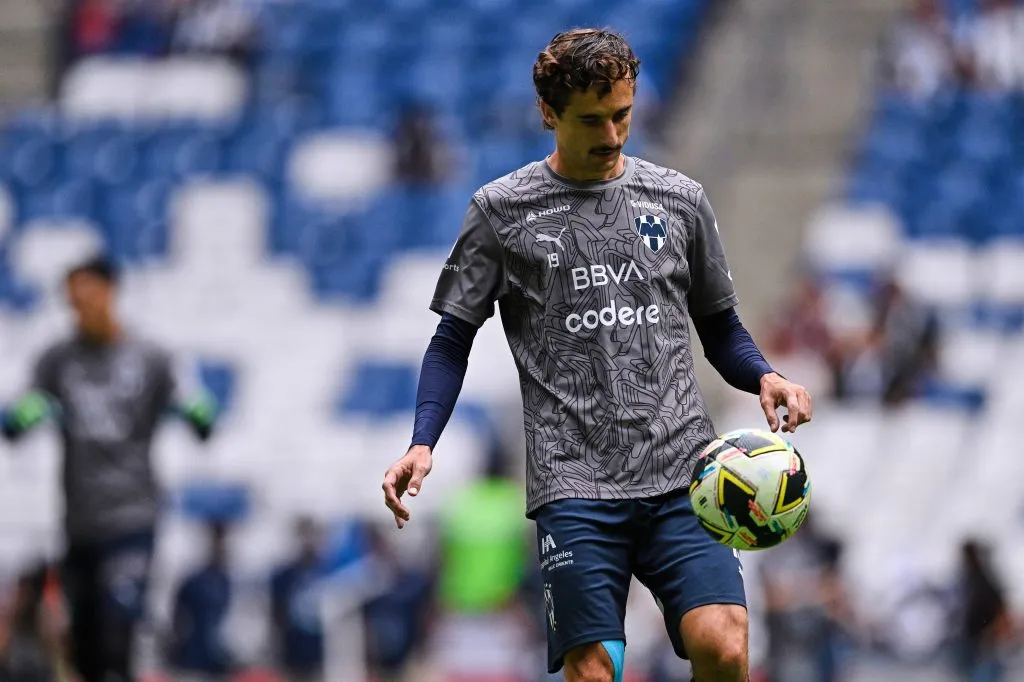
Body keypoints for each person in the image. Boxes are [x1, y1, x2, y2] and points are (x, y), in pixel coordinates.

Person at [380, 28, 813, 682]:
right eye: (591, 120)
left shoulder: (678, 200)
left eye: (623, 116)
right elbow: (451, 339)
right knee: (593, 670)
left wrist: (765, 375)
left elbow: (719, 326)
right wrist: (423, 441)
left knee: (724, 645)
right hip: (575, 484)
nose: (611, 135)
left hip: (683, 474)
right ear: (548, 114)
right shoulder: (501, 213)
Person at [0, 254, 218, 682]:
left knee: (119, 630)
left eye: (86, 296)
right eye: (72, 301)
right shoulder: (57, 360)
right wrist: (24, 413)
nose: (79, 308)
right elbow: (14, 421)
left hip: (131, 517)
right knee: (86, 647)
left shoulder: (150, 357)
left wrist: (196, 410)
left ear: (109, 292)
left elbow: (198, 410)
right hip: (79, 523)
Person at [167, 521, 236, 680]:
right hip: (193, 657)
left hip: (218, 659)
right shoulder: (194, 581)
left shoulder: (227, 581)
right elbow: (177, 617)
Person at [269, 517, 325, 682]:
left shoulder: (327, 571)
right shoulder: (285, 575)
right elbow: (277, 611)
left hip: (321, 648)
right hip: (293, 646)